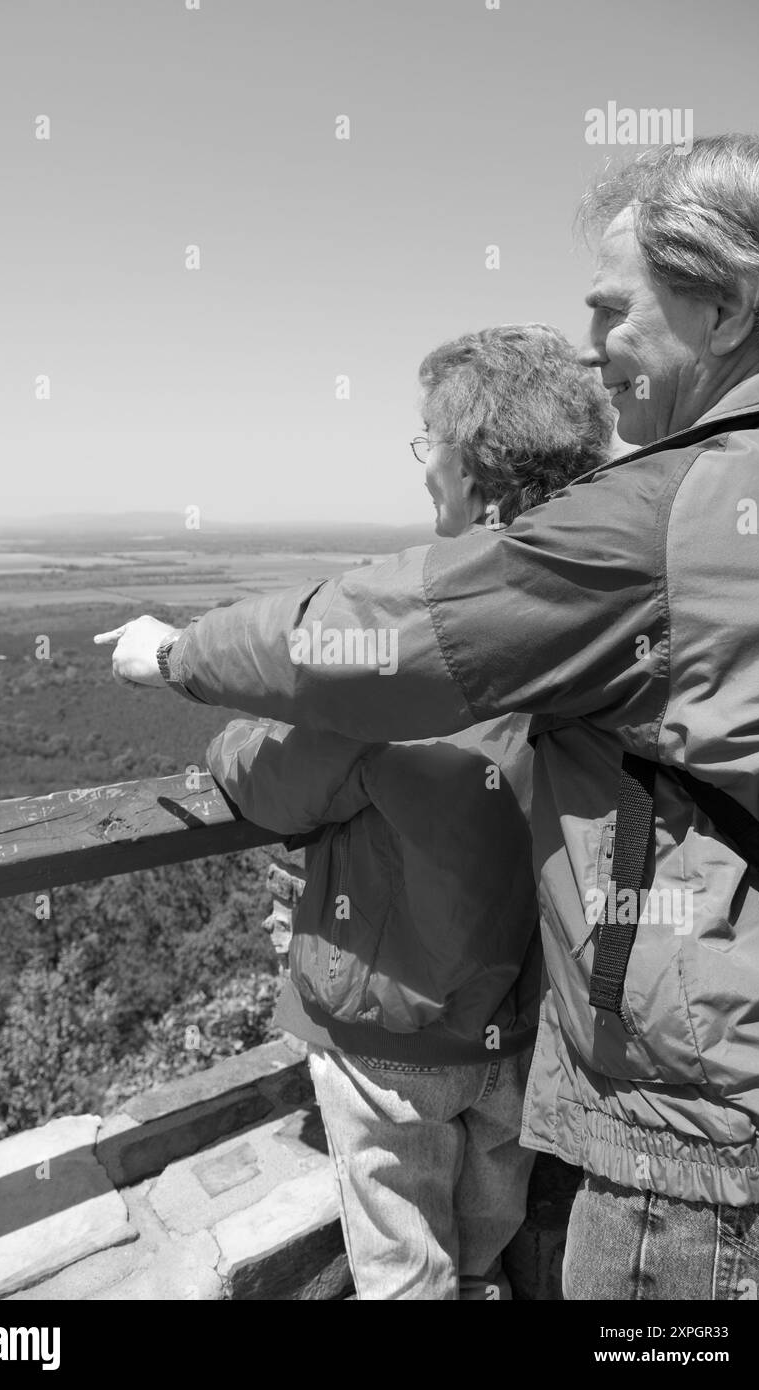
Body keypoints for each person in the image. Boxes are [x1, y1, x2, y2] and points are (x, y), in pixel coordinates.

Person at [97, 134, 759, 1300]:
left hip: (698, 1123)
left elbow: (374, 646)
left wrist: (178, 655)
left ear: (728, 306)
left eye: (618, 309)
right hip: (555, 1042)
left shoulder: (665, 516)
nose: (596, 343)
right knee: (492, 1231)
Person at [203, 324, 613, 1301]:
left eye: (428, 440)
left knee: (402, 1264)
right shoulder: (604, 612)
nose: (422, 460)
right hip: (528, 1024)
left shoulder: (408, 634)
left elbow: (276, 780)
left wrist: (226, 741)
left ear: (473, 469)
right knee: (483, 1244)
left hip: (392, 1034)